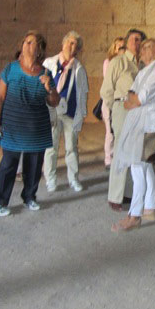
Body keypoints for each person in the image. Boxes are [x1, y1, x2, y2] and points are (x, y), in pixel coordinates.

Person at [0, 31, 60, 217]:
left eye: (32, 42)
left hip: (37, 127)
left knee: (34, 165)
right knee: (8, 164)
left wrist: (49, 88)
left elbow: (54, 102)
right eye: (25, 42)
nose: (27, 45)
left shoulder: (46, 73)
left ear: (39, 50)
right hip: (13, 125)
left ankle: (29, 197)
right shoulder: (11, 69)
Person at [111, 39, 155, 231]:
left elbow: (138, 98)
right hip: (140, 123)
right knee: (145, 167)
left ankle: (134, 215)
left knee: (138, 168)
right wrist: (132, 100)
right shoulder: (145, 71)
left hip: (147, 125)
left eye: (147, 47)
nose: (142, 50)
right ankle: (150, 208)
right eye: (142, 47)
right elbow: (130, 96)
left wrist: (133, 100)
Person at [100, 29, 147, 211]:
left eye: (140, 40)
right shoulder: (118, 62)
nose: (137, 43)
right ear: (127, 42)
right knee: (120, 151)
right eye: (134, 39)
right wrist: (116, 108)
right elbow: (106, 90)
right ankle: (115, 196)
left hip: (138, 111)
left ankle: (127, 193)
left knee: (133, 152)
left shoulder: (142, 65)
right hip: (122, 107)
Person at [42, 31, 89, 193]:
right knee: (51, 147)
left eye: (74, 44)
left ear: (78, 49)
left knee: (71, 147)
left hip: (71, 112)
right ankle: (50, 179)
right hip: (52, 111)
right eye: (69, 42)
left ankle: (73, 178)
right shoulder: (49, 63)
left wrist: (81, 114)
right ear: (63, 44)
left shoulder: (79, 68)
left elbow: (83, 92)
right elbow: (41, 86)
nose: (71, 46)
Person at [102, 37, 125, 169]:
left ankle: (118, 156)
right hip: (110, 101)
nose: (121, 49)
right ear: (114, 48)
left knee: (119, 132)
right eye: (119, 46)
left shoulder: (126, 62)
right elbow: (110, 81)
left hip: (122, 101)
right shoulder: (108, 62)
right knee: (110, 132)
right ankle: (108, 158)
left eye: (123, 46)